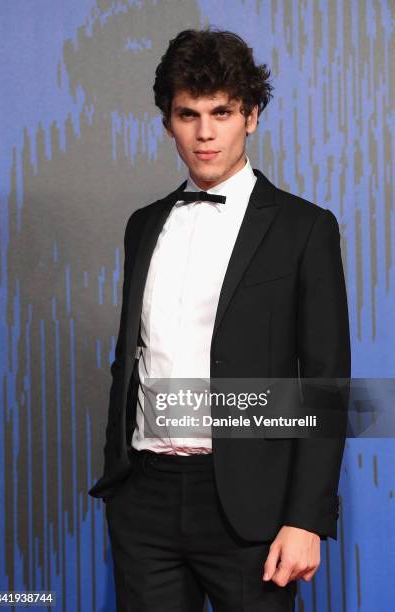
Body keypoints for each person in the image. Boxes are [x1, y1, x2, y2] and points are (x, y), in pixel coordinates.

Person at [88, 27, 351, 612]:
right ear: (167, 122)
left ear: (251, 116)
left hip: (249, 507)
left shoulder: (304, 229)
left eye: (222, 112)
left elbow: (325, 381)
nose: (205, 132)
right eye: (188, 114)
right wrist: (120, 481)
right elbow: (132, 355)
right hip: (144, 501)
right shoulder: (143, 224)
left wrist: (305, 518)